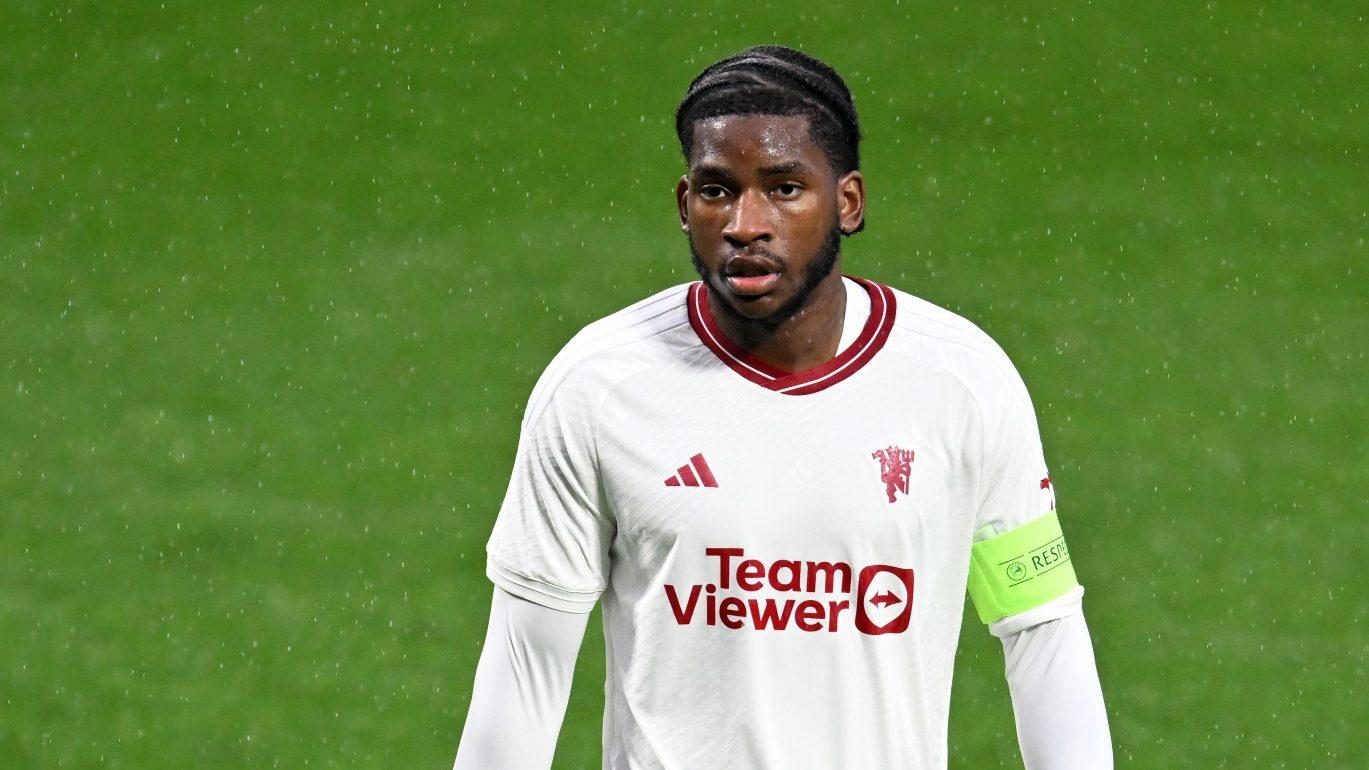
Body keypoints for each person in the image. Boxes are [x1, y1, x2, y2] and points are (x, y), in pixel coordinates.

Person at [453, 45, 1112, 769]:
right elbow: (525, 666)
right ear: (683, 205)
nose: (745, 223)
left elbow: (1039, 626)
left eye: (784, 188)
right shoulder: (598, 386)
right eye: (716, 190)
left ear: (848, 203)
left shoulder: (961, 382)